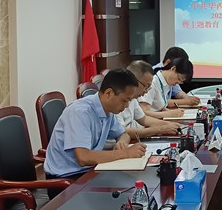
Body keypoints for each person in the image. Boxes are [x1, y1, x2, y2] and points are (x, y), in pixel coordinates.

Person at [44, 69, 146, 198]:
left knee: (133, 187)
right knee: (124, 196)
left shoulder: (108, 110)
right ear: (109, 93)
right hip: (66, 181)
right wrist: (126, 153)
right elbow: (83, 158)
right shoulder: (80, 112)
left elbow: (123, 134)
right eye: (124, 100)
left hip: (90, 172)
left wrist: (121, 143)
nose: (126, 106)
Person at [118, 60, 182, 138]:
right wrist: (159, 130)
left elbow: (143, 119)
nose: (146, 91)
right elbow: (122, 131)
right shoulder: (117, 99)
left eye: (149, 87)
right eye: (146, 86)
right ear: (133, 80)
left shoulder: (133, 99)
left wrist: (169, 125)